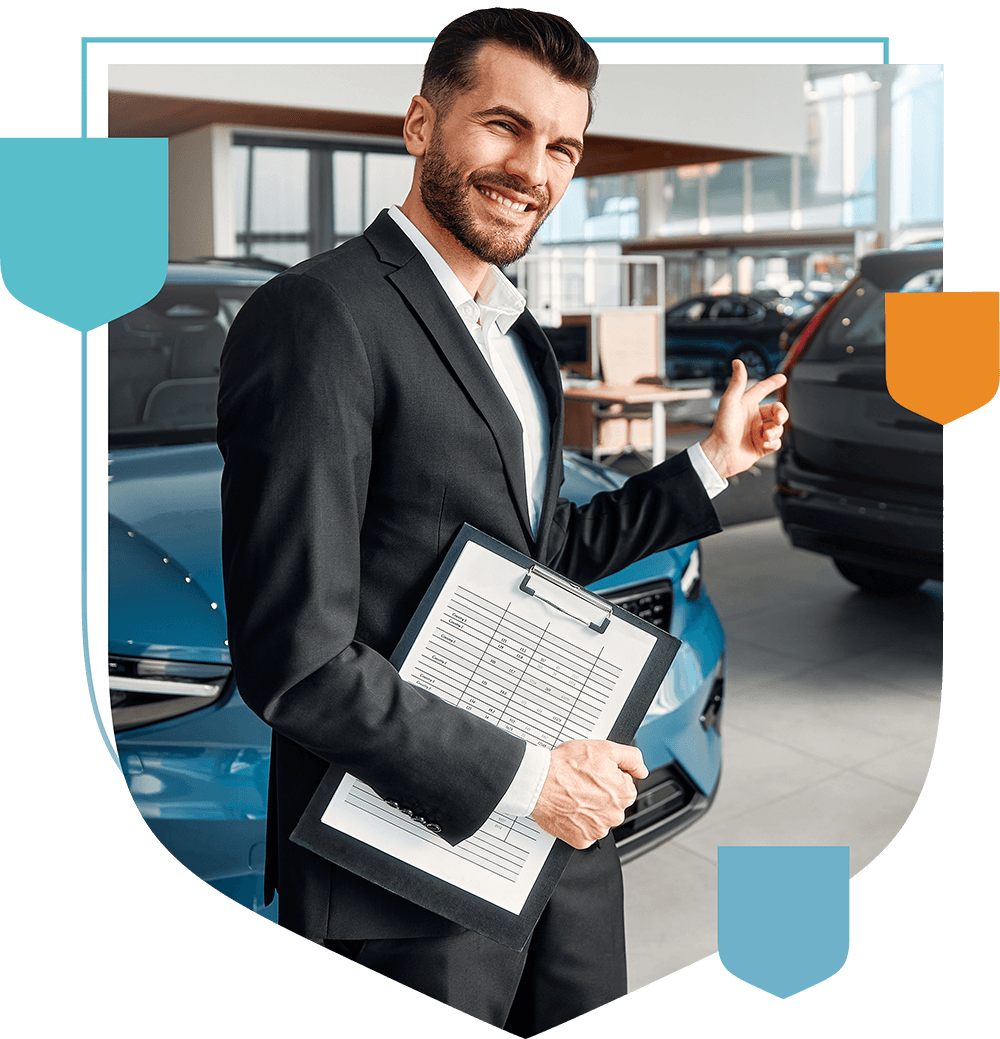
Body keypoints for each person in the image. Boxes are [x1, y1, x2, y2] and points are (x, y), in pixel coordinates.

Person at [217, 10, 788, 1035]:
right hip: (402, 872)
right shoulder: (320, 317)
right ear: (419, 125)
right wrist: (532, 781)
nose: (533, 168)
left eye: (561, 145)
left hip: (555, 855)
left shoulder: (514, 332)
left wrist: (712, 463)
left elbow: (539, 554)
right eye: (503, 127)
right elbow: (294, 660)